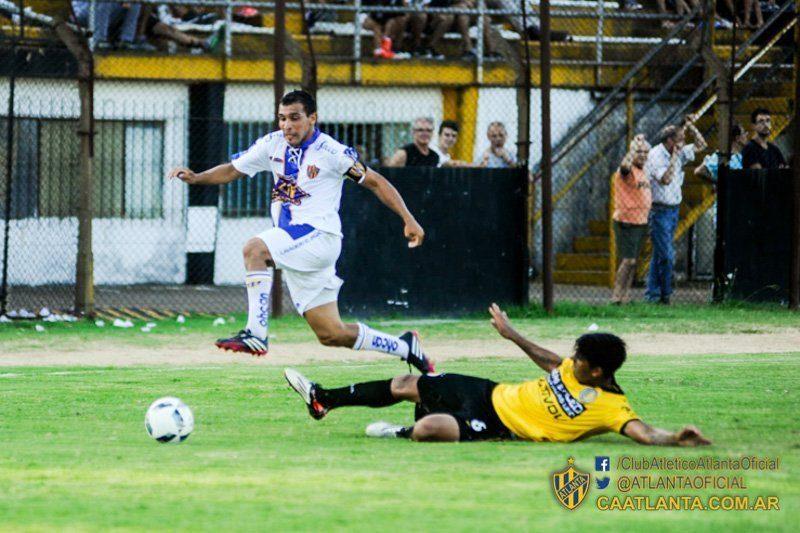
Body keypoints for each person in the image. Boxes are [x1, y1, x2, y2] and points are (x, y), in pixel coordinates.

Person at [167, 91, 434, 374]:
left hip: (319, 236)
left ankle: (256, 333)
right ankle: (406, 347)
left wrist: (408, 218)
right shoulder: (272, 144)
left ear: (312, 118)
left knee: (254, 249)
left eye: (295, 118)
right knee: (331, 333)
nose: (287, 125)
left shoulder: (332, 152)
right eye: (282, 118)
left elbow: (377, 182)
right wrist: (197, 177)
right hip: (297, 244)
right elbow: (233, 170)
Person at [284, 304, 712, 446]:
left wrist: (675, 439)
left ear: (598, 371)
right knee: (404, 384)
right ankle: (326, 400)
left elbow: (642, 432)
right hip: (489, 392)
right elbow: (549, 360)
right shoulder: (574, 368)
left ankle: (398, 432)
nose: (571, 360)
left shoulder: (610, 406)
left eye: (579, 359)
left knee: (427, 429)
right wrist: (511, 334)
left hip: (497, 424)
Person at [644, 116, 707, 304]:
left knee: (660, 254)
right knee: (667, 255)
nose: (684, 142)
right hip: (659, 210)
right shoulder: (656, 155)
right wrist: (674, 157)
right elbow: (666, 179)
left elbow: (701, 145)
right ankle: (665, 294)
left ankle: (652, 294)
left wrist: (691, 127)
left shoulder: (679, 151)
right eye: (680, 139)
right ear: (670, 141)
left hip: (673, 209)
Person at [611, 135, 651, 305]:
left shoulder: (643, 172)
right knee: (628, 260)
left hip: (641, 222)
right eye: (639, 152)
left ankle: (625, 296)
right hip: (626, 221)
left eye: (645, 152)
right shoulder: (626, 171)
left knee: (634, 262)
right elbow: (624, 166)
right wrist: (634, 146)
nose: (642, 155)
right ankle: (616, 296)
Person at [71, 1, 145, 50]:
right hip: (83, 11)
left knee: (134, 3)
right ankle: (99, 41)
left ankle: (126, 40)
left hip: (107, 10)